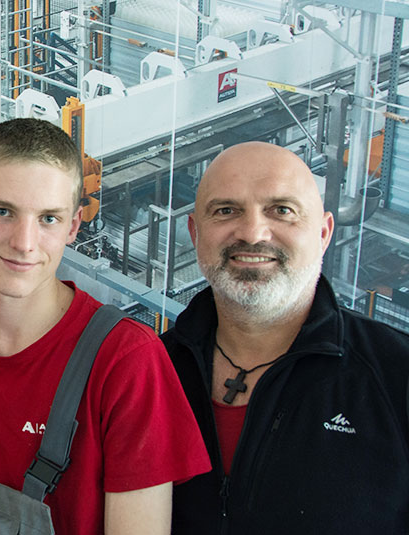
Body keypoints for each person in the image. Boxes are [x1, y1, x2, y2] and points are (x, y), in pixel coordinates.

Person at [0, 118, 209, 535]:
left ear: (73, 227)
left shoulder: (125, 360)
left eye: (48, 219)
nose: (24, 241)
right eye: (3, 211)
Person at [163, 141, 409, 533]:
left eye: (282, 211)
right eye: (226, 210)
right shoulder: (152, 370)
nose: (253, 233)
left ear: (324, 233)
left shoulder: (396, 376)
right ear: (195, 232)